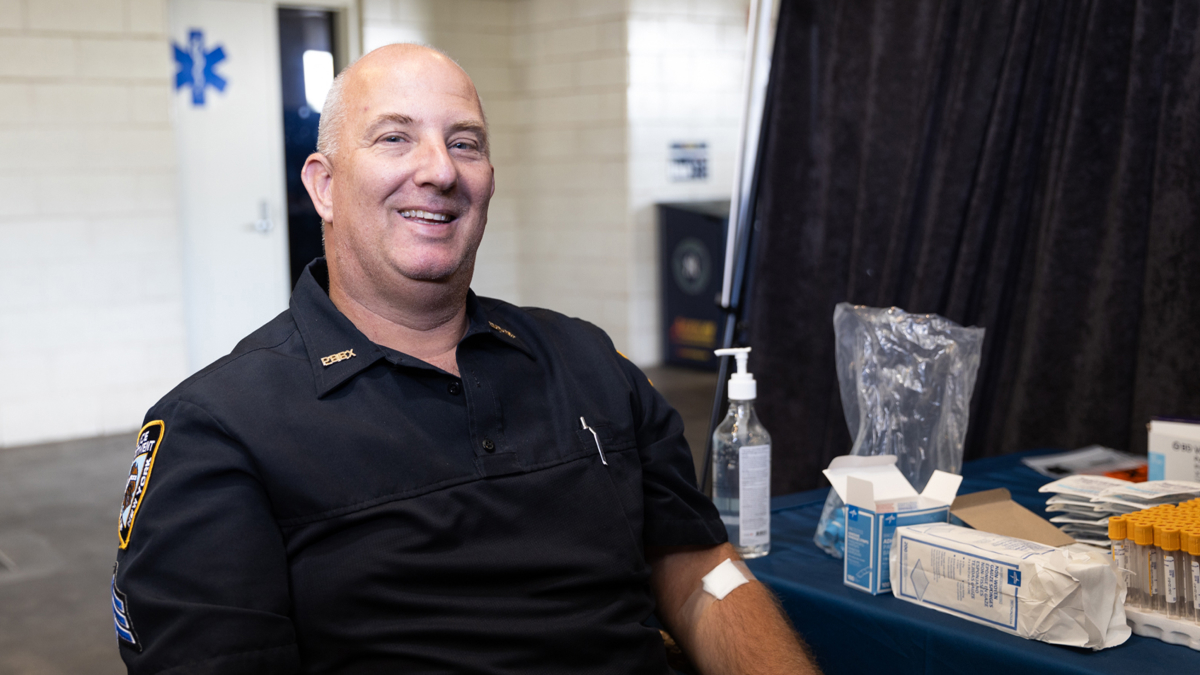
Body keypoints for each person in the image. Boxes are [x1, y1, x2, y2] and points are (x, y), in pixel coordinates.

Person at [112, 44, 820, 674]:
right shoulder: (217, 430)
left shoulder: (587, 360)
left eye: (466, 143)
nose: (439, 171)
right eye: (395, 137)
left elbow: (703, 577)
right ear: (324, 185)